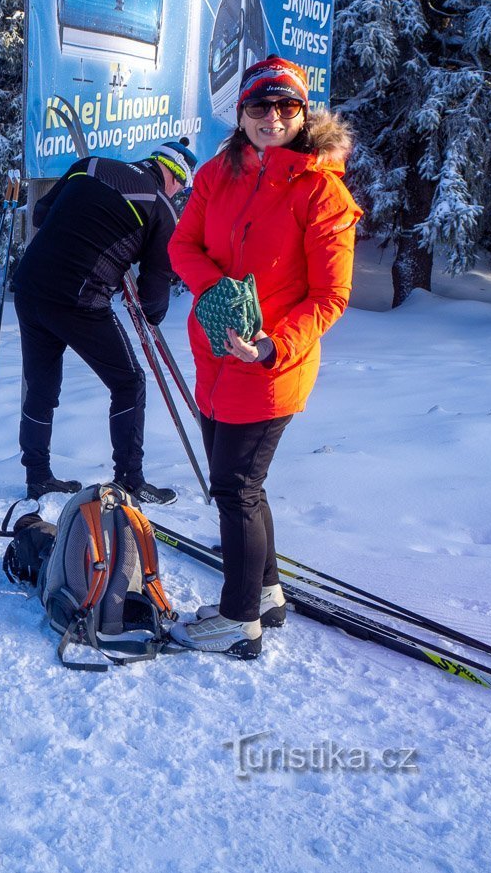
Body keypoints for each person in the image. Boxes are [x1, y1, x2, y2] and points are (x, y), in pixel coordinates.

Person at [166, 56, 362, 657]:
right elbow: (183, 244)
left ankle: (238, 619)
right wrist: (214, 287)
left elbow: (331, 296)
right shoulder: (215, 175)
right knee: (244, 487)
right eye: (259, 106)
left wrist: (275, 343)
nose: (272, 118)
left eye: (286, 107)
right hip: (215, 357)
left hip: (271, 365)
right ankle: (267, 592)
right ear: (241, 113)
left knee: (236, 488)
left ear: (303, 115)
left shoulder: (322, 192)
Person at [10, 140, 197, 503]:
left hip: (30, 284)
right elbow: (154, 296)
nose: (180, 194)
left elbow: (42, 213)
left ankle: (38, 476)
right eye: (183, 187)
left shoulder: (91, 164)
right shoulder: (160, 208)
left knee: (41, 386)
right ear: (174, 176)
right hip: (80, 298)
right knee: (129, 382)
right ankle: (130, 479)